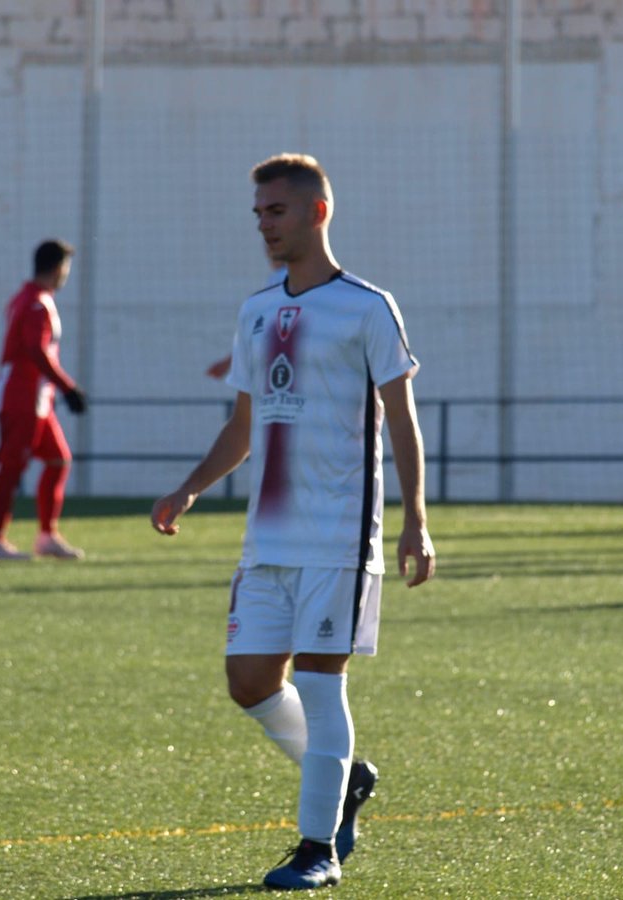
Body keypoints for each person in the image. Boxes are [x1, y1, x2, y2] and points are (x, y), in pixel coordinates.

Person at [150, 153, 435, 891]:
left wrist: (416, 523)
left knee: (319, 683)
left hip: (340, 537)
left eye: (276, 211)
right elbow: (244, 424)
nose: (264, 225)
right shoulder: (256, 310)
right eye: (258, 214)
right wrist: (188, 488)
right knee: (247, 683)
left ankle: (319, 848)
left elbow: (402, 420)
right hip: (267, 538)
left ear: (318, 211)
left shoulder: (368, 307)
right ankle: (344, 777)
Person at [0, 239, 88, 561]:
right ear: (58, 267)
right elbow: (36, 349)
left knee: (59, 459)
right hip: (22, 397)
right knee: (12, 468)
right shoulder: (35, 303)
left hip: (38, 399)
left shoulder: (31, 298)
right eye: (66, 267)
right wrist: (69, 387)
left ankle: (47, 536)